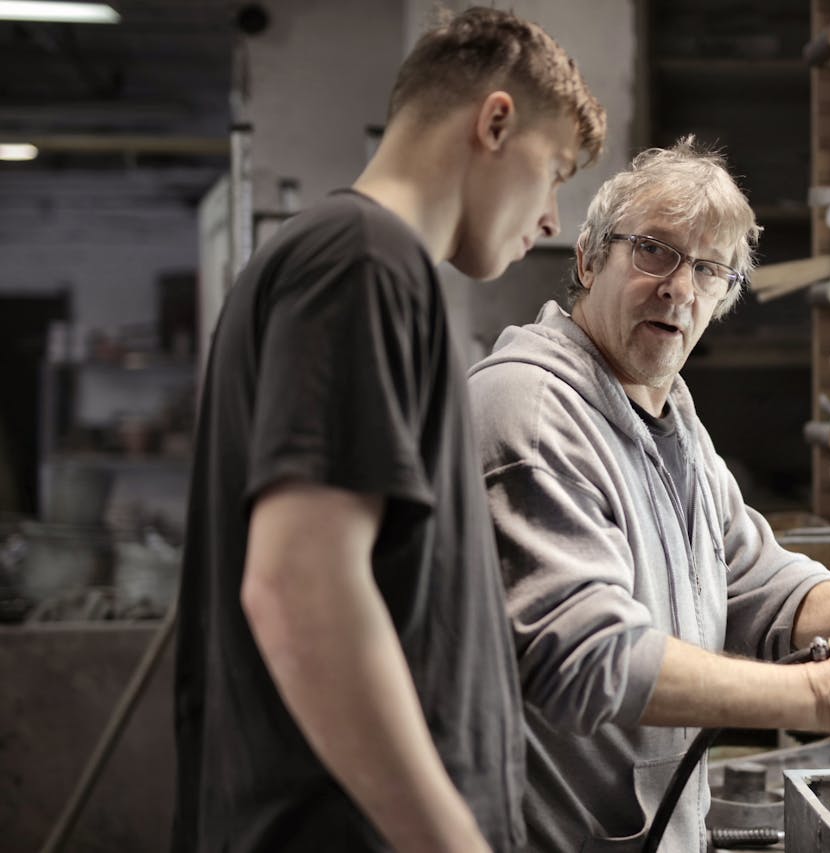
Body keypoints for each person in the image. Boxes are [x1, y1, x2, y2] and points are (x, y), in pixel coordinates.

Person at [171, 9, 604, 853]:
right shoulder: (362, 261)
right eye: (555, 172)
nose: (553, 216)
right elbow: (300, 588)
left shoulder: (353, 263)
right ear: (496, 120)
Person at [468, 137, 830, 852]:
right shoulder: (529, 409)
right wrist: (822, 695)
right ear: (587, 259)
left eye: (710, 270)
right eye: (654, 251)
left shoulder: (669, 413)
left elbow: (752, 578)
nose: (681, 287)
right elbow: (588, 655)